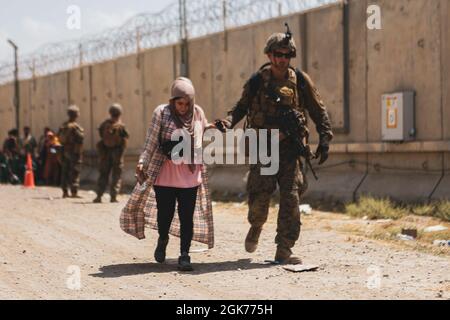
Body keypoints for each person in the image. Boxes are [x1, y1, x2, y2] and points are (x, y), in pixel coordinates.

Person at [216, 25, 333, 264]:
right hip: (263, 148)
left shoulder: (299, 80)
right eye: (278, 55)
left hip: (290, 149)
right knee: (259, 198)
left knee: (291, 198)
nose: (282, 59)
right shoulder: (258, 81)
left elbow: (317, 109)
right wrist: (228, 122)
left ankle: (284, 248)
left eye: (286, 55)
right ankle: (256, 226)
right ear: (269, 55)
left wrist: (325, 136)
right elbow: (241, 107)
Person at [121, 77, 214, 272]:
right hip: (165, 175)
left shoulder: (197, 112)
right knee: (165, 215)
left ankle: (184, 255)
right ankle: (163, 239)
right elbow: (151, 141)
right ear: (173, 101)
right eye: (180, 103)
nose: (183, 107)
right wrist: (141, 162)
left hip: (190, 175)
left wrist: (214, 126)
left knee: (186, 216)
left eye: (187, 103)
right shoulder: (162, 113)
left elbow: (201, 128)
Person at [94, 103, 129, 203]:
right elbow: (126, 136)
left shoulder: (104, 124)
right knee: (116, 175)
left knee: (103, 174)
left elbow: (101, 134)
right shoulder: (121, 126)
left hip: (105, 153)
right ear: (120, 113)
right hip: (117, 154)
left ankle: (99, 196)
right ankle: (113, 197)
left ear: (110, 113)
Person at [58, 105, 84, 198]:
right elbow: (80, 138)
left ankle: (64, 192)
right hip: (74, 152)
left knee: (64, 172)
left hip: (64, 151)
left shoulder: (63, 126)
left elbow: (58, 140)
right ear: (76, 114)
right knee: (75, 171)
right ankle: (74, 192)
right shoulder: (75, 127)